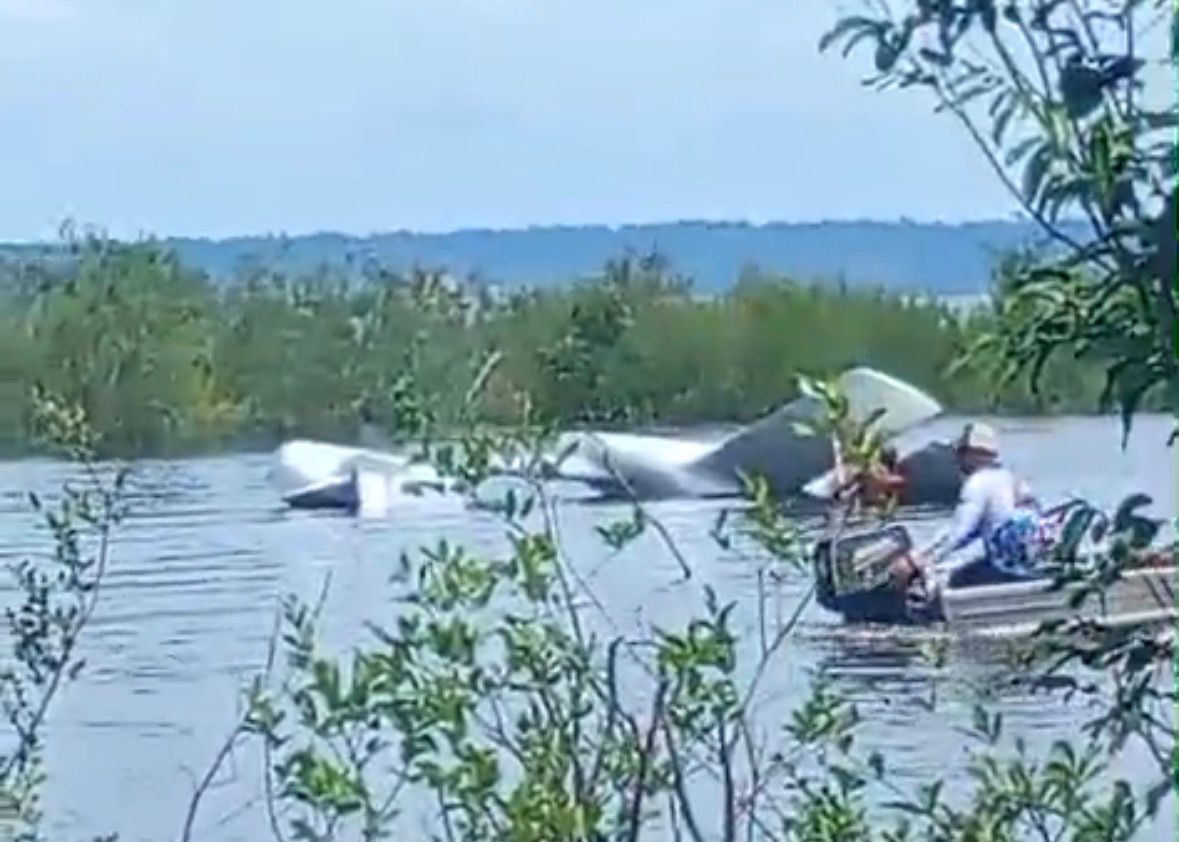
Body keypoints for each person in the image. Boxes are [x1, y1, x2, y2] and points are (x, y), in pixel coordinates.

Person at [908, 422, 1047, 589]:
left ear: (972, 453)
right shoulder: (1010, 478)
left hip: (996, 566)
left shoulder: (977, 484)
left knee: (936, 574)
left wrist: (921, 557)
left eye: (962, 453)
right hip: (1022, 560)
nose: (958, 459)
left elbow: (959, 532)